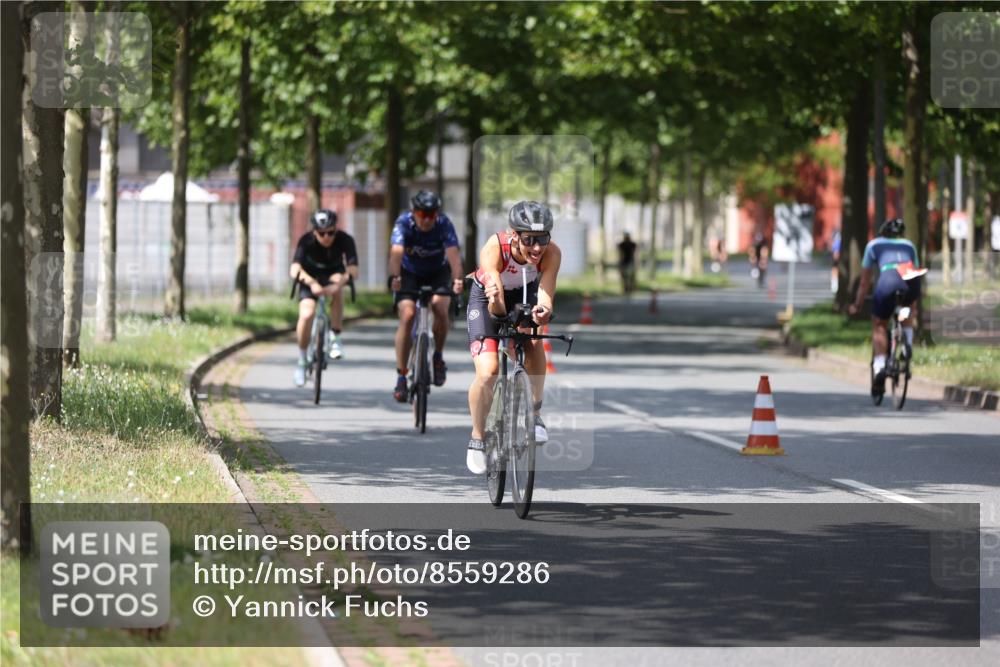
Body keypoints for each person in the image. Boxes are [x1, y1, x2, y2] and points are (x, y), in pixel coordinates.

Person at [466, 201, 562, 475]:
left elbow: (545, 294)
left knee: (534, 342)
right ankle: (477, 437)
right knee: (489, 372)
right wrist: (499, 311)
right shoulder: (494, 249)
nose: (536, 247)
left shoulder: (551, 254)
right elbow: (496, 309)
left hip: (525, 293)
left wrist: (542, 313)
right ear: (513, 235)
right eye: (529, 239)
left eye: (542, 239)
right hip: (488, 298)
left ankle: (535, 415)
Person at [388, 190, 464, 402]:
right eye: (422, 214)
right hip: (409, 273)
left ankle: (437, 356)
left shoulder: (444, 224)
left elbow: (454, 256)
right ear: (414, 212)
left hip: (437, 273)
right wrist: (394, 277)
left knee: (440, 309)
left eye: (431, 214)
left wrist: (458, 280)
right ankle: (402, 375)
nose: (427, 219)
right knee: (408, 314)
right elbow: (396, 252)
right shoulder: (403, 223)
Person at [849, 218, 925, 396]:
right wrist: (913, 305)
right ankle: (907, 344)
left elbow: (864, 281)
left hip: (888, 280)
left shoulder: (873, 245)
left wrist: (857, 304)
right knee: (907, 309)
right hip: (911, 280)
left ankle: (880, 366)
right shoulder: (910, 245)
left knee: (880, 324)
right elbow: (916, 270)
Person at [289, 209, 359, 387]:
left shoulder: (345, 240)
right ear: (314, 232)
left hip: (333, 275)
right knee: (306, 314)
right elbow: (294, 270)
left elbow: (353, 271)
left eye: (331, 232)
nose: (326, 237)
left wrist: (339, 284)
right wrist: (312, 283)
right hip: (310, 278)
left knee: (338, 289)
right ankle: (302, 359)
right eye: (322, 233)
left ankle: (335, 337)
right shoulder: (306, 241)